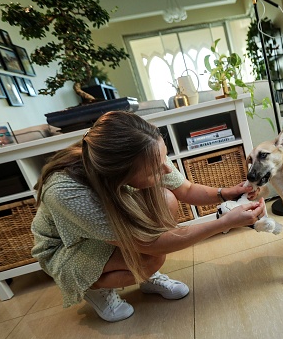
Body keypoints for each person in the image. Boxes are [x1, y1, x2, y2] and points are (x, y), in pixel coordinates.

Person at [31, 111, 266, 322]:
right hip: (68, 248)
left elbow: (185, 189)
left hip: (109, 230)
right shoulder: (66, 191)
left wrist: (227, 194)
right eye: (156, 168)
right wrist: (223, 223)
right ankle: (95, 288)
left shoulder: (147, 150)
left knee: (166, 198)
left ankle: (141, 276)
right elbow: (148, 243)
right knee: (149, 260)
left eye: (163, 158)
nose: (165, 169)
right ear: (120, 174)